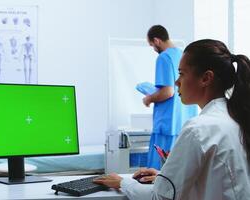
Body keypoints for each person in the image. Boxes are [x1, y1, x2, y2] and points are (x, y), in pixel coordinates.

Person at [94, 39, 250, 199]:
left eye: (181, 74)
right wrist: (165, 178)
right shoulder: (235, 118)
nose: (176, 82)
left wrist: (122, 183)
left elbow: (160, 197)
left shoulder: (198, 129)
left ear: (205, 78)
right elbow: (217, 180)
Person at [144, 25, 198, 169]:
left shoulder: (164, 57)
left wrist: (148, 98)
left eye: (152, 45)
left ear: (156, 40)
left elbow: (168, 91)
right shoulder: (183, 55)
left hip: (167, 126)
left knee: (156, 174)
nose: (154, 49)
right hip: (183, 124)